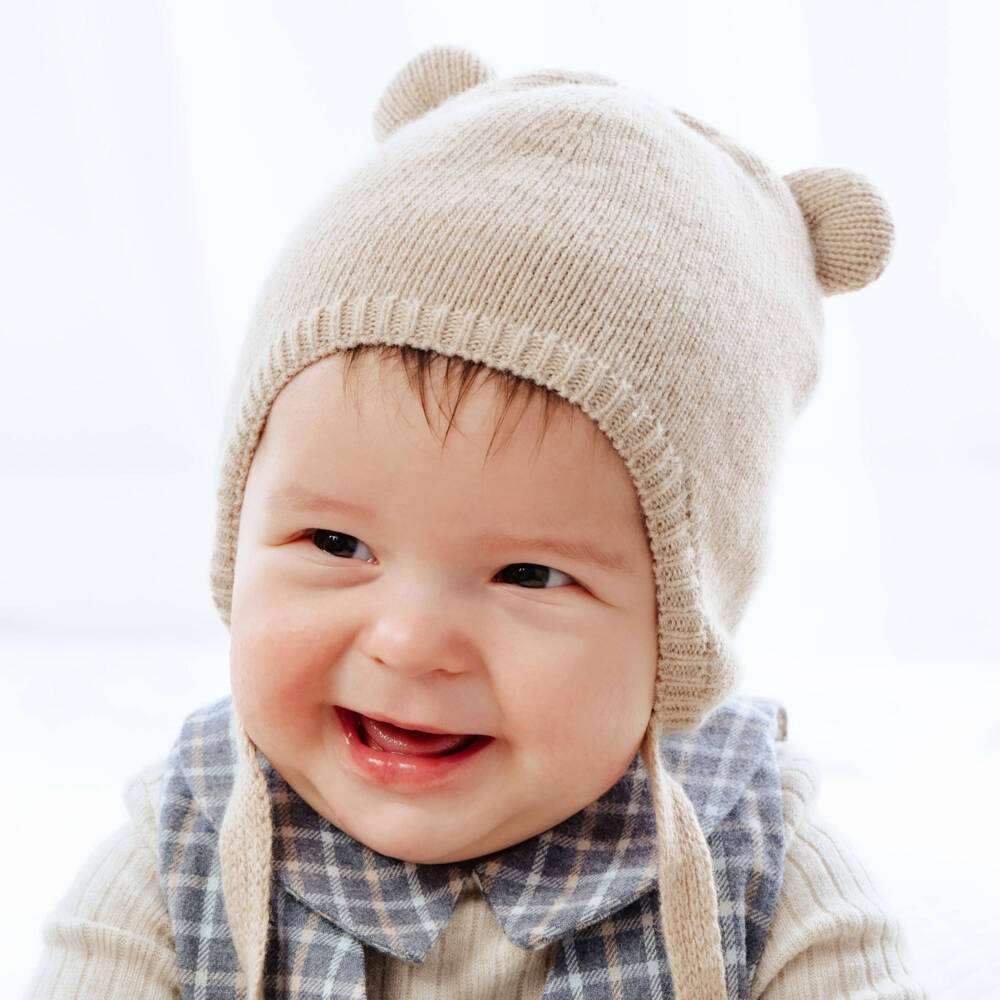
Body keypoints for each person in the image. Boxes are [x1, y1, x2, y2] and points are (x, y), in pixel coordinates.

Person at [26, 44, 927, 1000]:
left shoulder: (758, 861)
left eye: (529, 575)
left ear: (679, 638)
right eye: (336, 544)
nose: (410, 644)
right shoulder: (185, 854)